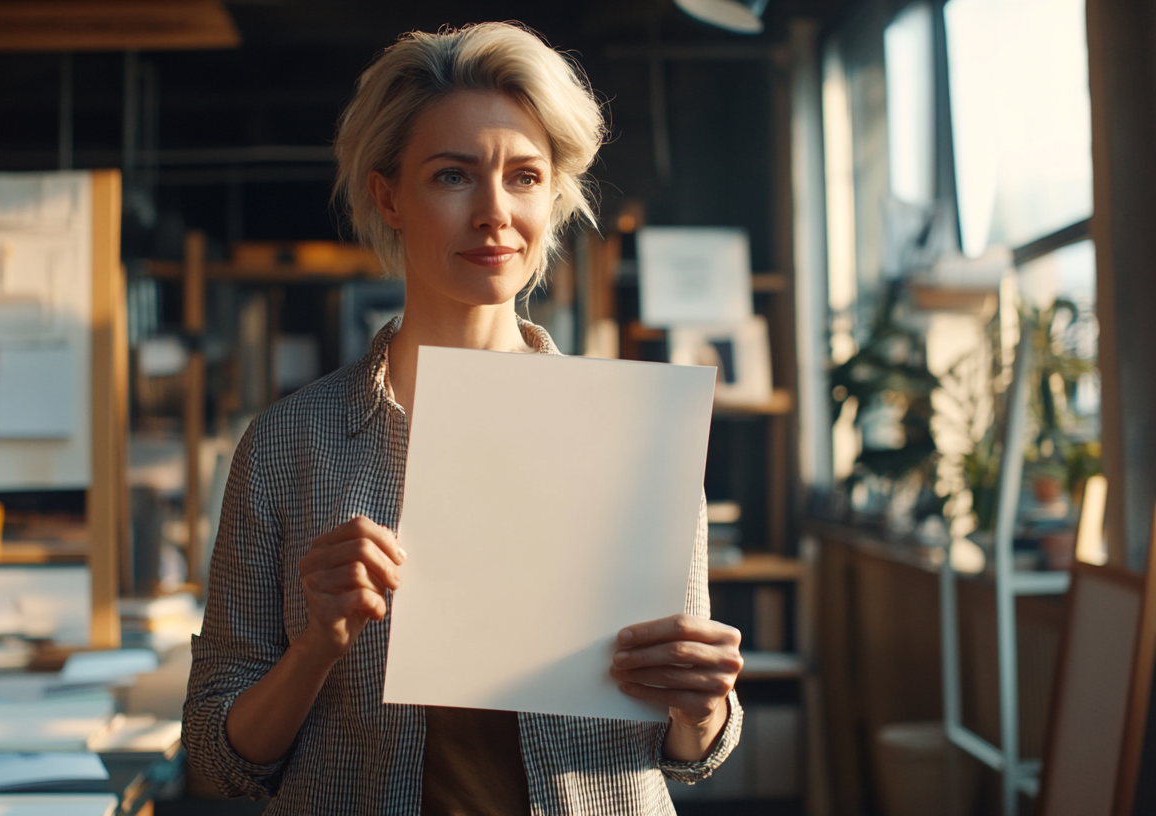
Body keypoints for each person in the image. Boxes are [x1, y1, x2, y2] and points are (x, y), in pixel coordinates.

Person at [183, 22, 744, 815]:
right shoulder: (288, 446)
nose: (493, 213)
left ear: (553, 197)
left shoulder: (634, 436)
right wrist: (317, 645)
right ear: (388, 196)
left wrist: (702, 703)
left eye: (523, 176)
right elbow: (216, 758)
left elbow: (690, 750)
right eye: (452, 176)